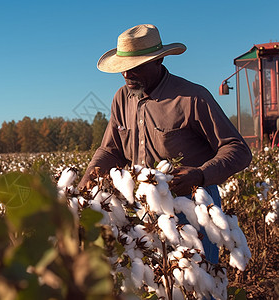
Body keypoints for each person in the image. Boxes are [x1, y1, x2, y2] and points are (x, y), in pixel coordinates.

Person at [79, 24, 252, 264]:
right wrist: (87, 181)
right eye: (123, 68)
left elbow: (238, 149)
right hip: (144, 210)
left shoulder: (192, 97)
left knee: (198, 282)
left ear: (158, 62)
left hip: (192, 208)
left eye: (135, 67)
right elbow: (111, 150)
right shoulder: (121, 99)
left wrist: (200, 175)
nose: (127, 75)